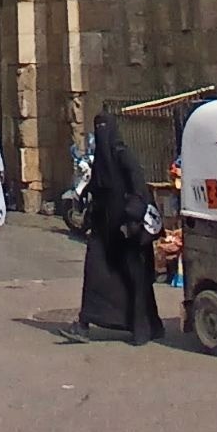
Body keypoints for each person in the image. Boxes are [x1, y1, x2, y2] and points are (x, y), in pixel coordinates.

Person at [65, 111, 164, 345]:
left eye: (104, 127)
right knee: (94, 274)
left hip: (126, 231)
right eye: (96, 127)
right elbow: (98, 189)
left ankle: (146, 326)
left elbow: (139, 189)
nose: (101, 133)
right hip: (103, 230)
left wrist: (130, 216)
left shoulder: (123, 155)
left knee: (135, 280)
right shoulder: (100, 160)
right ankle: (83, 324)